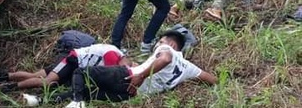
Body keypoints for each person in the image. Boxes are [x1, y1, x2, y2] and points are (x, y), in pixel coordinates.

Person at [45, 30, 216, 108]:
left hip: (128, 77)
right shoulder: (188, 68)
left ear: (171, 43)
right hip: (131, 93)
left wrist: (141, 75)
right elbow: (212, 79)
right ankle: (42, 101)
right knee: (88, 94)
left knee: (81, 72)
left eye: (161, 41)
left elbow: (165, 58)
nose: (158, 44)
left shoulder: (167, 49)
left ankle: (76, 102)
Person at [0, 43, 129, 90]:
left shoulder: (116, 52)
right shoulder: (112, 56)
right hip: (72, 61)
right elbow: (110, 76)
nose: (124, 69)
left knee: (36, 75)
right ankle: (10, 87)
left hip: (74, 60)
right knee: (47, 82)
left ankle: (5, 76)